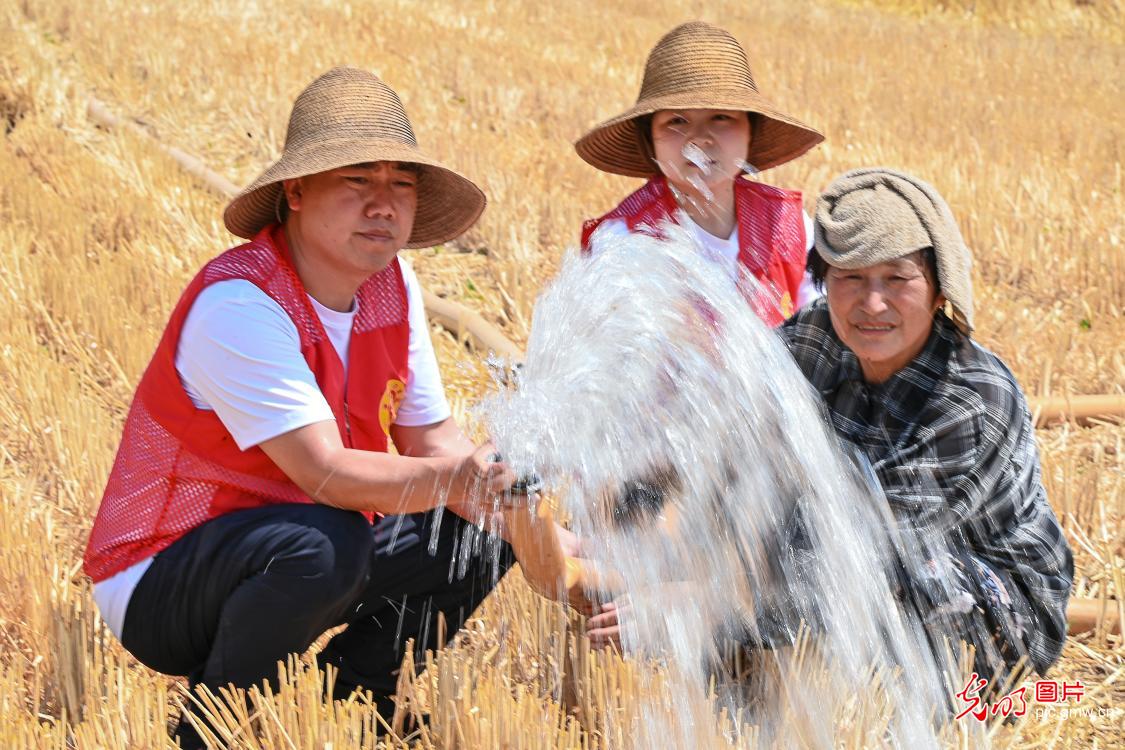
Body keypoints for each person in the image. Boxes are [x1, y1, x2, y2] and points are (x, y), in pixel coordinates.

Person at [83, 67, 531, 747]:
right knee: (327, 539)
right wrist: (463, 478)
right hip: (162, 577)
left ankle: (356, 701)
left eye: (401, 185)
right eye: (358, 180)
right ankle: (212, 728)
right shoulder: (239, 303)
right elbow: (324, 473)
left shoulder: (395, 284)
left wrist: (521, 512)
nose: (383, 205)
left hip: (305, 545)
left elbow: (432, 440)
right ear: (295, 191)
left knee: (477, 528)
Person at [778, 167, 1073, 684]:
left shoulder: (971, 400)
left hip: (989, 607)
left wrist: (697, 605)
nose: (872, 305)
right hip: (850, 559)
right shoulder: (815, 337)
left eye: (897, 278)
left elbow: (870, 556)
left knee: (907, 576)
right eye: (850, 277)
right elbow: (723, 429)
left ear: (940, 290)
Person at [576, 21, 825, 326]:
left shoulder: (791, 226)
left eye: (721, 117)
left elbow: (818, 332)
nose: (699, 138)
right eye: (677, 121)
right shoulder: (625, 240)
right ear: (650, 137)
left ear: (751, 132)